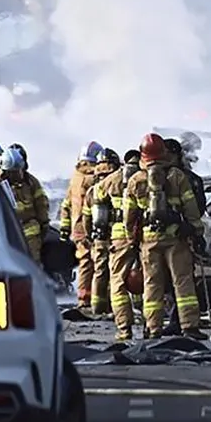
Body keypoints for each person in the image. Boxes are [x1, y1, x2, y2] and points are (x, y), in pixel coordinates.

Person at [124, 133, 206, 340]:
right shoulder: (177, 176)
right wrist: (196, 232)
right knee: (183, 282)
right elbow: (191, 208)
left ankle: (153, 328)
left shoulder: (136, 180)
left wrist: (131, 240)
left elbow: (129, 217)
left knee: (152, 284)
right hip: (176, 239)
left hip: (149, 241)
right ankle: (189, 327)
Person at [93, 149, 142, 340]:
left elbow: (98, 208)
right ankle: (152, 327)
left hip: (119, 238)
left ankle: (124, 328)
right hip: (145, 236)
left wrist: (99, 236)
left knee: (118, 283)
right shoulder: (146, 179)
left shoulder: (109, 181)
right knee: (151, 282)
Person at [60, 141, 103, 309]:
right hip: (90, 227)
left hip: (77, 228)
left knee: (86, 262)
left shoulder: (75, 177)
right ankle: (88, 299)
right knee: (95, 263)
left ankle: (85, 297)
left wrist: (65, 227)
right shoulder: (93, 178)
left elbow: (66, 204)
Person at [83, 148, 121, 315]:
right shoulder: (118, 183)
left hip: (99, 237)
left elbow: (86, 217)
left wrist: (90, 235)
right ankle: (116, 307)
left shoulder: (93, 190)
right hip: (116, 235)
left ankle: (98, 308)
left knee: (99, 272)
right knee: (116, 272)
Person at [0, 144, 51, 264]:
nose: (19, 174)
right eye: (15, 172)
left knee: (33, 266)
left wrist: (44, 223)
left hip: (31, 235)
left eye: (19, 170)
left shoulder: (31, 182)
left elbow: (41, 204)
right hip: (8, 234)